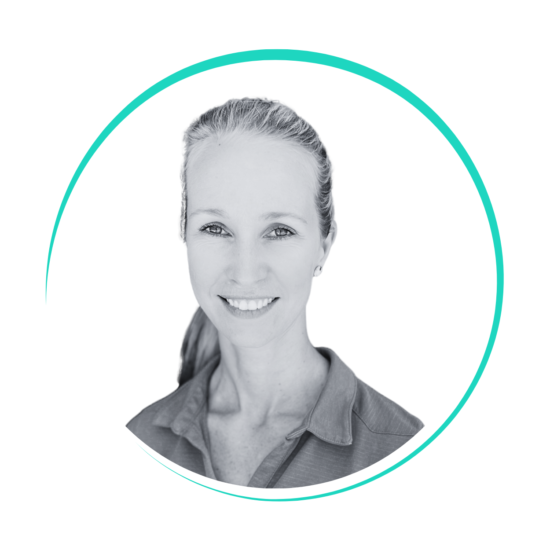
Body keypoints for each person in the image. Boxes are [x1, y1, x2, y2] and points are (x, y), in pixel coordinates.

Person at [127, 98, 423, 488]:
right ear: (184, 233)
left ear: (324, 244)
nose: (245, 273)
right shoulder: (137, 444)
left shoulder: (404, 453)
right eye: (215, 228)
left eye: (279, 231)